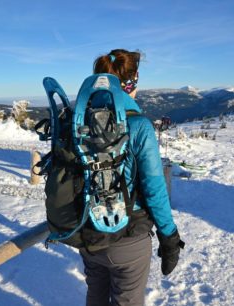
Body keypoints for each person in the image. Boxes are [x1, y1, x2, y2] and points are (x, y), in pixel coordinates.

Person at [79, 49, 184, 306]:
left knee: (95, 295)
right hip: (128, 237)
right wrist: (169, 237)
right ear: (132, 81)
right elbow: (154, 188)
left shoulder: (78, 121)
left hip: (88, 232)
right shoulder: (138, 125)